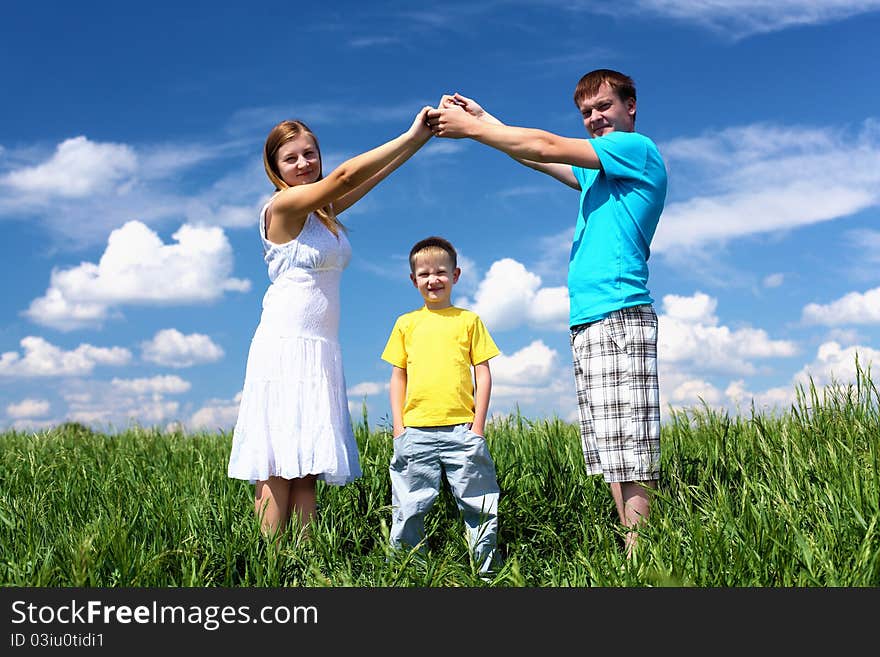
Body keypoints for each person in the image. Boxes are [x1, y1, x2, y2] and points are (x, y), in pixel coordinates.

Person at [426, 69, 667, 558]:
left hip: (620, 317)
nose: (596, 118)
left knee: (632, 453)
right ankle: (631, 552)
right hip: (590, 322)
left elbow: (543, 144)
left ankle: (645, 560)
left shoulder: (635, 149)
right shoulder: (600, 174)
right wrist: (485, 119)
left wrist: (471, 130)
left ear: (631, 106)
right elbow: (534, 156)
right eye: (587, 113)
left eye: (605, 106)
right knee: (610, 453)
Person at [227, 108, 434, 542]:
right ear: (275, 168)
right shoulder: (282, 205)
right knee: (275, 464)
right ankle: (269, 566)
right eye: (291, 158)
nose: (304, 163)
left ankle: (303, 564)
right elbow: (343, 176)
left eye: (310, 154)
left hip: (320, 348)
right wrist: (407, 132)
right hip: (285, 345)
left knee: (304, 468)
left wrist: (418, 142)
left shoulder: (322, 213)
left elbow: (363, 181)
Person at [380, 236, 501, 574]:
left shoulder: (469, 320)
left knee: (479, 505)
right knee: (409, 507)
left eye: (441, 272)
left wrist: (477, 427)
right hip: (415, 432)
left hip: (462, 431)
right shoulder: (406, 323)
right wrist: (399, 428)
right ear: (413, 280)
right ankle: (409, 572)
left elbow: (484, 374)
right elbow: (398, 377)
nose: (433, 279)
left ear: (456, 275)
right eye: (424, 274)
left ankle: (486, 572)